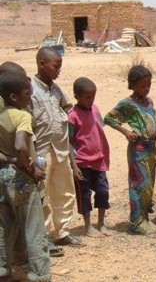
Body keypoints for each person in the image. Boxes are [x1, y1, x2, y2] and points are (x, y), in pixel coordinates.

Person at [30, 47, 85, 251]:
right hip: (41, 154)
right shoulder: (30, 90)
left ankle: (62, 232)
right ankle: (42, 240)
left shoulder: (56, 89)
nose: (58, 70)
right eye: (56, 66)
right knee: (41, 198)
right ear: (42, 64)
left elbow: (68, 110)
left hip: (60, 151)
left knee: (64, 193)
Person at [0, 71, 51, 282]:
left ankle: (3, 270)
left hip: (2, 177)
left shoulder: (1, 115)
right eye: (27, 93)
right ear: (14, 97)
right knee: (34, 227)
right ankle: (39, 274)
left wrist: (11, 161)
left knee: (4, 227)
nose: (30, 97)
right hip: (22, 180)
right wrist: (30, 170)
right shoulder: (22, 116)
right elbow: (21, 146)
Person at [104, 65, 156, 235]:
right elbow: (108, 118)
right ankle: (137, 222)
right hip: (138, 150)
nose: (147, 88)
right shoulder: (127, 104)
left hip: (151, 148)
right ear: (133, 85)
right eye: (143, 85)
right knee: (139, 184)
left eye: (149, 84)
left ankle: (145, 218)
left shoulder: (149, 101)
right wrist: (126, 131)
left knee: (149, 185)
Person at [68, 77, 111, 237]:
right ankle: (88, 225)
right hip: (82, 162)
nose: (91, 100)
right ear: (77, 96)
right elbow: (70, 142)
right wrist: (73, 165)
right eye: (88, 97)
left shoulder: (96, 109)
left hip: (98, 160)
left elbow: (98, 131)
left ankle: (101, 223)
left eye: (93, 96)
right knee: (84, 194)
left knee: (102, 191)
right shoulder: (72, 117)